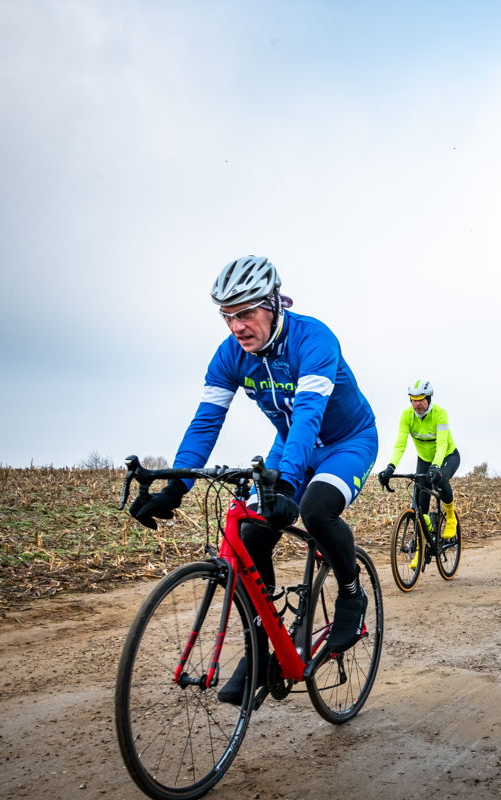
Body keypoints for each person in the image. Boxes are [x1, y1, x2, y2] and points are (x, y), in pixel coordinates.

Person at [128, 255, 378, 702]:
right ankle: (263, 648)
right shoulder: (229, 356)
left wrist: (286, 485)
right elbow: (206, 421)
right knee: (250, 536)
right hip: (290, 442)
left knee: (316, 509)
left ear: (275, 304)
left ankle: (352, 592)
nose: (236, 326)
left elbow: (307, 415)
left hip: (346, 441)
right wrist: (176, 486)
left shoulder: (313, 338)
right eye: (227, 316)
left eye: (245, 313)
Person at [377, 380, 461, 566]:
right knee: (419, 506)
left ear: (429, 399)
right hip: (424, 460)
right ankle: (422, 546)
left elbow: (441, 444)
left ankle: (451, 517)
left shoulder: (439, 414)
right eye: (413, 400)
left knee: (441, 480)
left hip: (447, 456)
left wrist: (436, 467)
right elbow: (400, 444)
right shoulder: (407, 416)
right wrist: (390, 467)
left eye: (421, 399)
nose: (417, 403)